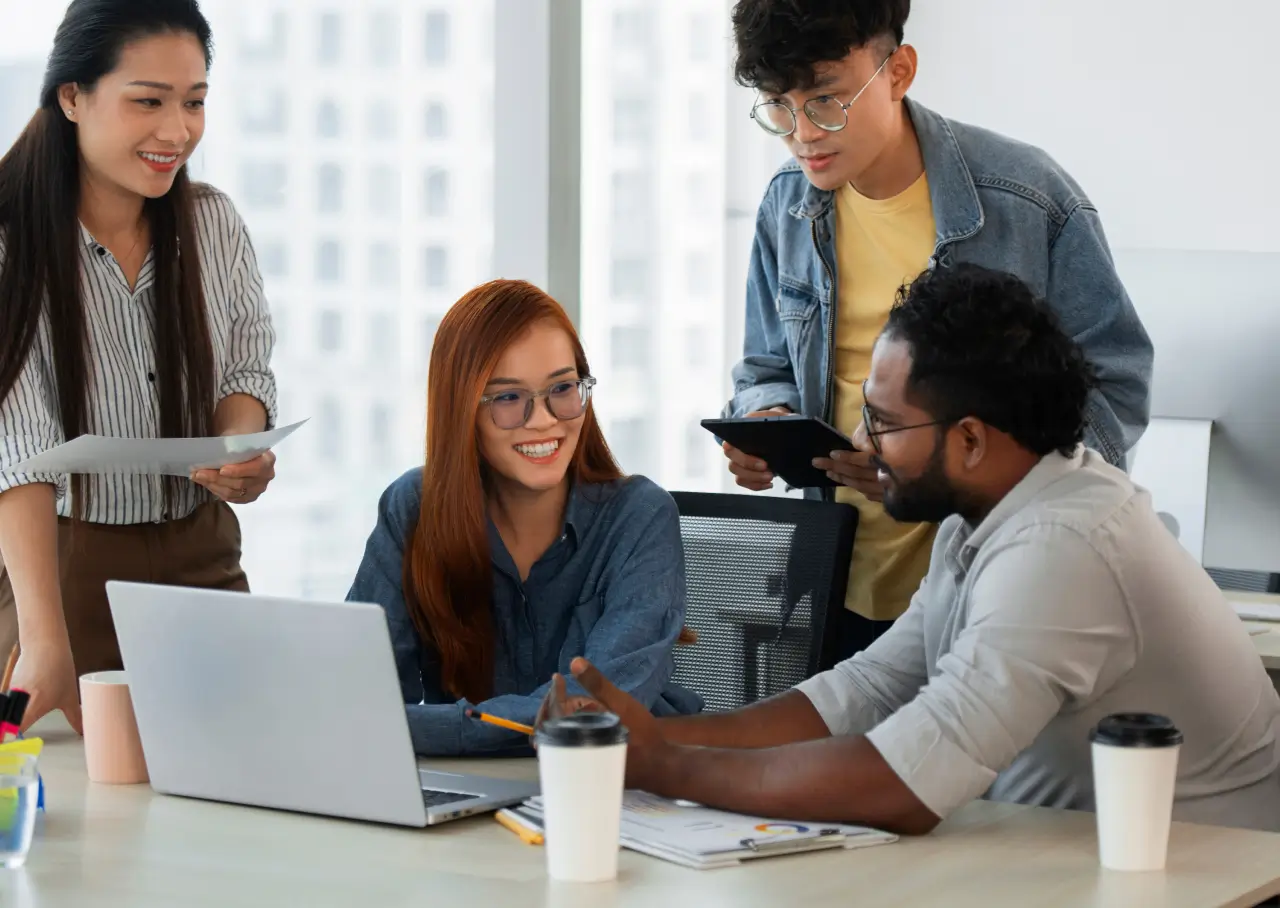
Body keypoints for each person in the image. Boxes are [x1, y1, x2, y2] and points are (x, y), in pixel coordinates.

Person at [543, 264, 1280, 835]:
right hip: (1059, 863)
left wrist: (668, 767)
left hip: (1199, 883)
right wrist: (653, 740)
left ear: (969, 438)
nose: (863, 445)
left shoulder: (1064, 546)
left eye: (885, 423)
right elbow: (863, 692)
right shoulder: (985, 517)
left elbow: (906, 782)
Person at [720, 0, 1154, 659]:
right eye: (779, 106)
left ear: (898, 72)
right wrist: (766, 420)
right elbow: (763, 366)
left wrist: (937, 464)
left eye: (826, 99)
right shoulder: (787, 203)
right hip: (834, 581)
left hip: (993, 583)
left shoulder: (1027, 198)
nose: (803, 133)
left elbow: (1112, 393)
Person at [0, 0, 278, 733]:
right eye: (147, 102)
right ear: (72, 96)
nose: (176, 130)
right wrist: (44, 638)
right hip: (58, 567)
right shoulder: (10, 242)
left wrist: (238, 447)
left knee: (237, 780)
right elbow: (20, 450)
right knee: (82, 819)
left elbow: (246, 367)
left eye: (194, 102)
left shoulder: (213, 223)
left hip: (200, 551)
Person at [347, 279, 700, 757]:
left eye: (562, 388)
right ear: (461, 410)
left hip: (618, 788)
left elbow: (589, 713)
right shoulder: (413, 506)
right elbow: (360, 696)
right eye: (509, 398)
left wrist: (424, 728)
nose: (543, 420)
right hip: (468, 792)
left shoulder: (640, 517)